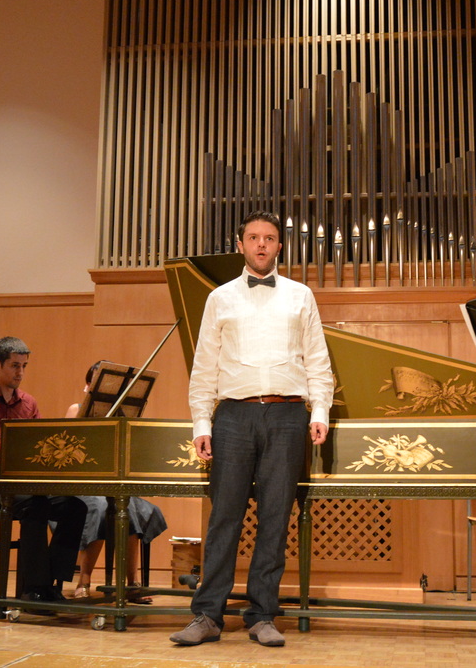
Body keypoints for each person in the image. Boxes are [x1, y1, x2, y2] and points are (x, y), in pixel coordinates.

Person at [170, 210, 333, 648]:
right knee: (224, 517)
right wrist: (201, 421)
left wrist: (320, 413)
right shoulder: (219, 298)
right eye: (253, 237)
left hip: (287, 416)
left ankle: (261, 615)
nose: (261, 244)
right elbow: (203, 365)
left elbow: (318, 360)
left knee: (276, 518)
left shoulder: (302, 296)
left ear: (280, 246)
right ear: (240, 244)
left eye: (270, 238)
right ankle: (207, 615)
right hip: (234, 417)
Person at [0, 336, 87, 607]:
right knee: (33, 504)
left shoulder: (28, 402)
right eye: (15, 365)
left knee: (74, 507)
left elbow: (40, 447)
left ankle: (52, 582)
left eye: (24, 366)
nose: (20, 372)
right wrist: (30, 456)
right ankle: (34, 589)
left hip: (20, 480)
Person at [65, 362, 167, 602]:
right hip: (82, 486)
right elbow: (69, 453)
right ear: (89, 385)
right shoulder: (75, 409)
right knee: (101, 507)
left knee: (129, 506)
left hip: (112, 486)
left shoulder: (124, 414)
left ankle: (131, 584)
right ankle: (85, 578)